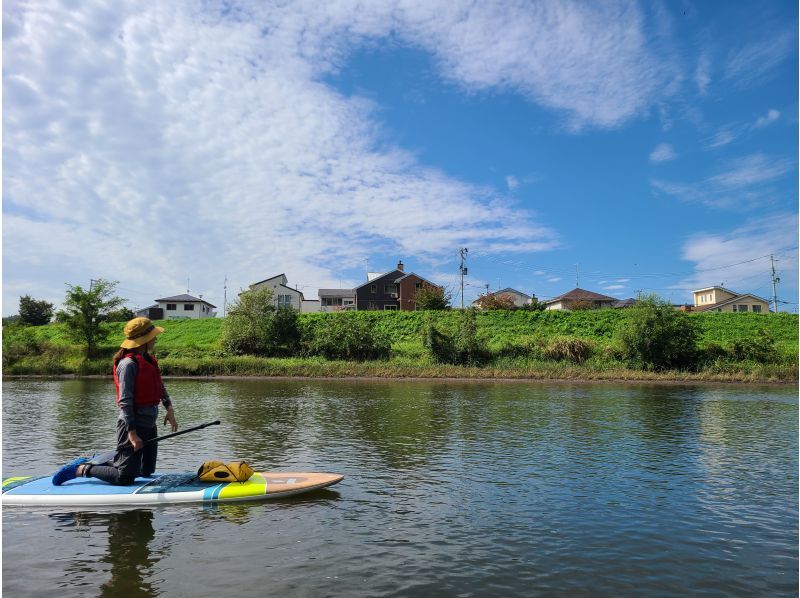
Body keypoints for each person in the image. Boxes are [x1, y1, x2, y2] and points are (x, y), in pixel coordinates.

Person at [53, 317, 177, 485]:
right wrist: (132, 434)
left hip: (149, 423)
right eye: (153, 336)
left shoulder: (148, 360)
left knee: (147, 470)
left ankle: (106, 461)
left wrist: (169, 409)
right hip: (132, 425)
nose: (156, 338)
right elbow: (125, 401)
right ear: (144, 340)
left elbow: (159, 386)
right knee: (124, 478)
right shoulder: (128, 365)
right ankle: (82, 469)